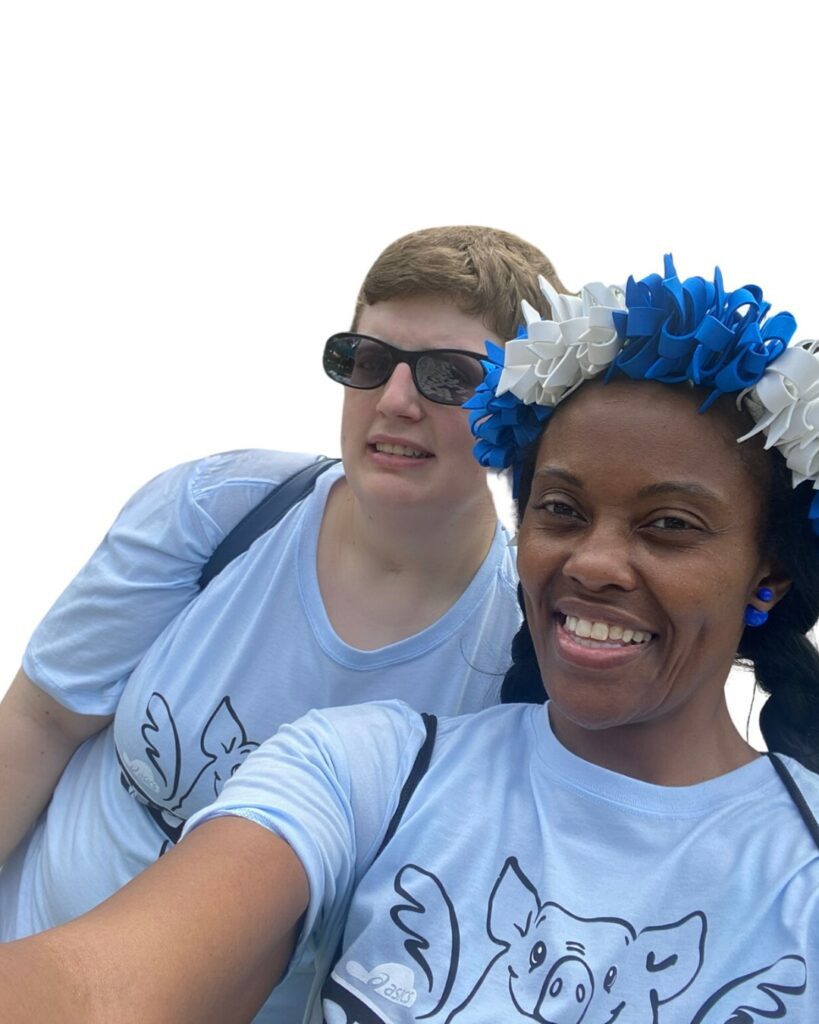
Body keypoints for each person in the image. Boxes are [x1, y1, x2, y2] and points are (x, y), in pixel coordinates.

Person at [2, 255, 819, 1023]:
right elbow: (114, 974)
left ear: (768, 574)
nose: (596, 562)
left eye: (668, 525)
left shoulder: (797, 870)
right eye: (562, 509)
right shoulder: (365, 765)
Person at [0, 226, 569, 1020]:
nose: (396, 400)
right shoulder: (213, 511)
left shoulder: (525, 655)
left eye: (449, 376)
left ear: (521, 406)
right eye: (367, 361)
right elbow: (40, 721)